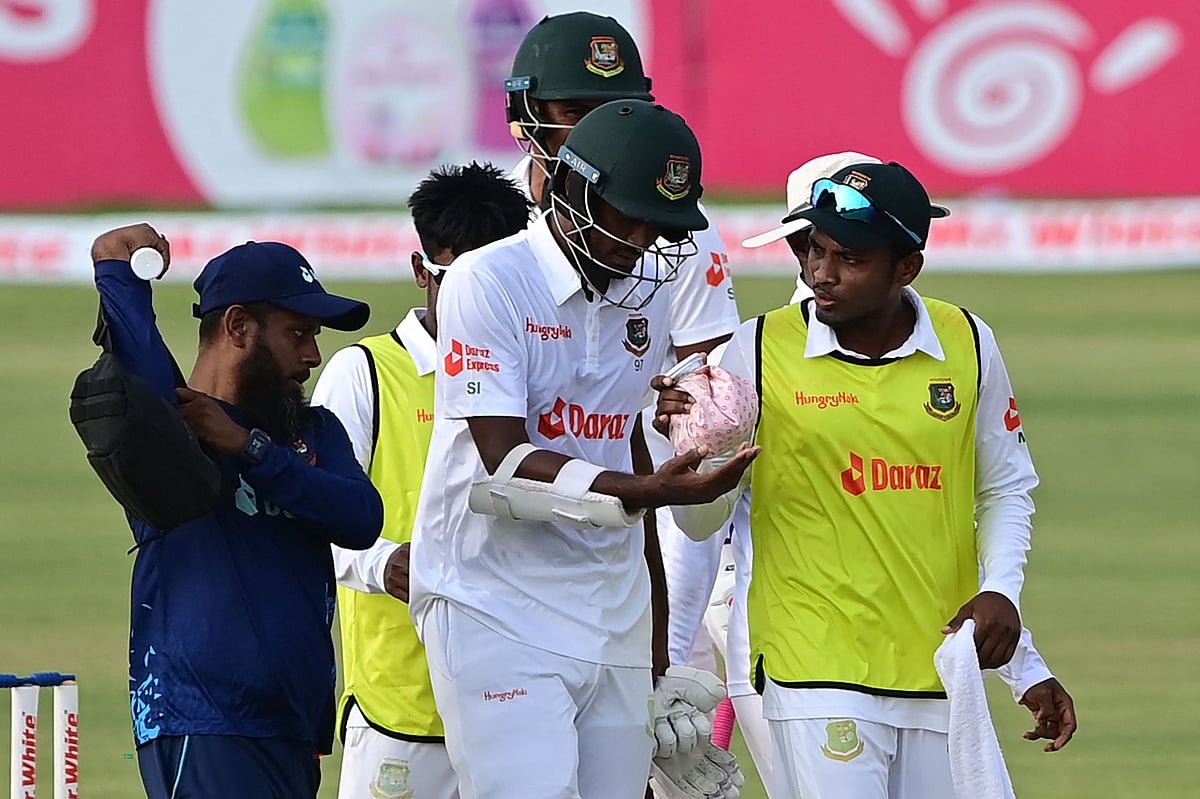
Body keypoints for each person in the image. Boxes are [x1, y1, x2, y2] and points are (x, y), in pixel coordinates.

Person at [656, 161, 1076, 798]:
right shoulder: (756, 348)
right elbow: (699, 526)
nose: (821, 274)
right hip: (813, 666)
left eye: (848, 258)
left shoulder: (968, 341)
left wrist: (1005, 600)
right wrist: (700, 464)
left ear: (905, 267)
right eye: (814, 251)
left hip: (936, 667)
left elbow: (1005, 487)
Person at [407, 100, 757, 799]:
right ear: (573, 188)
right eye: (630, 214)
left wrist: (658, 654)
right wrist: (644, 492)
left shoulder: (644, 295)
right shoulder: (488, 279)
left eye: (660, 223)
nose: (645, 237)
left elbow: (621, 439)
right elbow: (502, 458)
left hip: (612, 610)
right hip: (491, 601)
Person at [89, 224, 384, 799]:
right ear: (238, 326)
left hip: (295, 726)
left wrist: (250, 449)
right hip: (203, 717)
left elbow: (361, 518)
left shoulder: (313, 430)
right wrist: (116, 269)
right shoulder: (169, 429)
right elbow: (136, 335)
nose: (313, 354)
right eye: (298, 333)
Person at [506, 9, 741, 677]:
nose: (594, 127)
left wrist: (684, 413)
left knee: (661, 717)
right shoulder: (487, 214)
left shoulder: (677, 231)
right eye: (574, 108)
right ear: (526, 109)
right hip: (501, 523)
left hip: (636, 508)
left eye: (613, 107)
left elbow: (712, 392)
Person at [311, 163, 533, 799]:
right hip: (402, 706)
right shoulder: (364, 375)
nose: (479, 306)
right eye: (461, 282)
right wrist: (385, 566)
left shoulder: (536, 372)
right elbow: (307, 520)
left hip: (519, 697)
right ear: (421, 271)